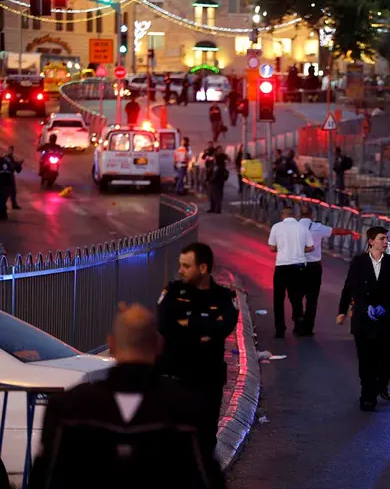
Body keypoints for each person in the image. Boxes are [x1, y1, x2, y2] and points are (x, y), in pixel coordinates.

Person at [29, 303, 226, 489]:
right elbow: (208, 479)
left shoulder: (68, 407)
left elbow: (44, 478)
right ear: (158, 345)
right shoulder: (188, 409)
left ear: (112, 345)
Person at [157, 243, 239, 445]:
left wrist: (188, 324)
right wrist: (201, 333)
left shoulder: (224, 297)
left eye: (186, 266)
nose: (180, 270)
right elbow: (164, 326)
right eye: (180, 265)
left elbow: (224, 327)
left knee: (205, 438)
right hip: (175, 377)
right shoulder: (173, 291)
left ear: (203, 268)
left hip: (207, 381)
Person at [336, 226, 390, 411]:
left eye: (386, 239)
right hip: (363, 318)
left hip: (384, 318)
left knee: (385, 359)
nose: (385, 242)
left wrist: (386, 307)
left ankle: (381, 384)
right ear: (371, 241)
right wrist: (343, 310)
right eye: (382, 239)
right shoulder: (359, 261)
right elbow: (350, 287)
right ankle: (367, 395)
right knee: (366, 359)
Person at [298, 204, 360, 335]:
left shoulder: (293, 228)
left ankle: (298, 324)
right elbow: (336, 231)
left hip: (296, 266)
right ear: (312, 215)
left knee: (296, 296)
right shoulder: (317, 227)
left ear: (299, 215)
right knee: (312, 298)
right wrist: (351, 232)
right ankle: (308, 328)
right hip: (313, 267)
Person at [269, 206, 314, 338]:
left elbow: (272, 248)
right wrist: (300, 250)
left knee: (278, 299)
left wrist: (282, 248)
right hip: (298, 266)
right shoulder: (302, 228)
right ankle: (299, 326)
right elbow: (311, 247)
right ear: (294, 215)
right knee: (296, 298)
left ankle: (280, 329)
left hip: (282, 266)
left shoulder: (276, 227)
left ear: (283, 215)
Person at [207, 146, 229, 214]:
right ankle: (213, 208)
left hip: (218, 180)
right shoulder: (213, 162)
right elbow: (209, 170)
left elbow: (217, 173)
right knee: (212, 195)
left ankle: (217, 208)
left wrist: (211, 179)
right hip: (213, 180)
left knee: (217, 195)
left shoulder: (220, 163)